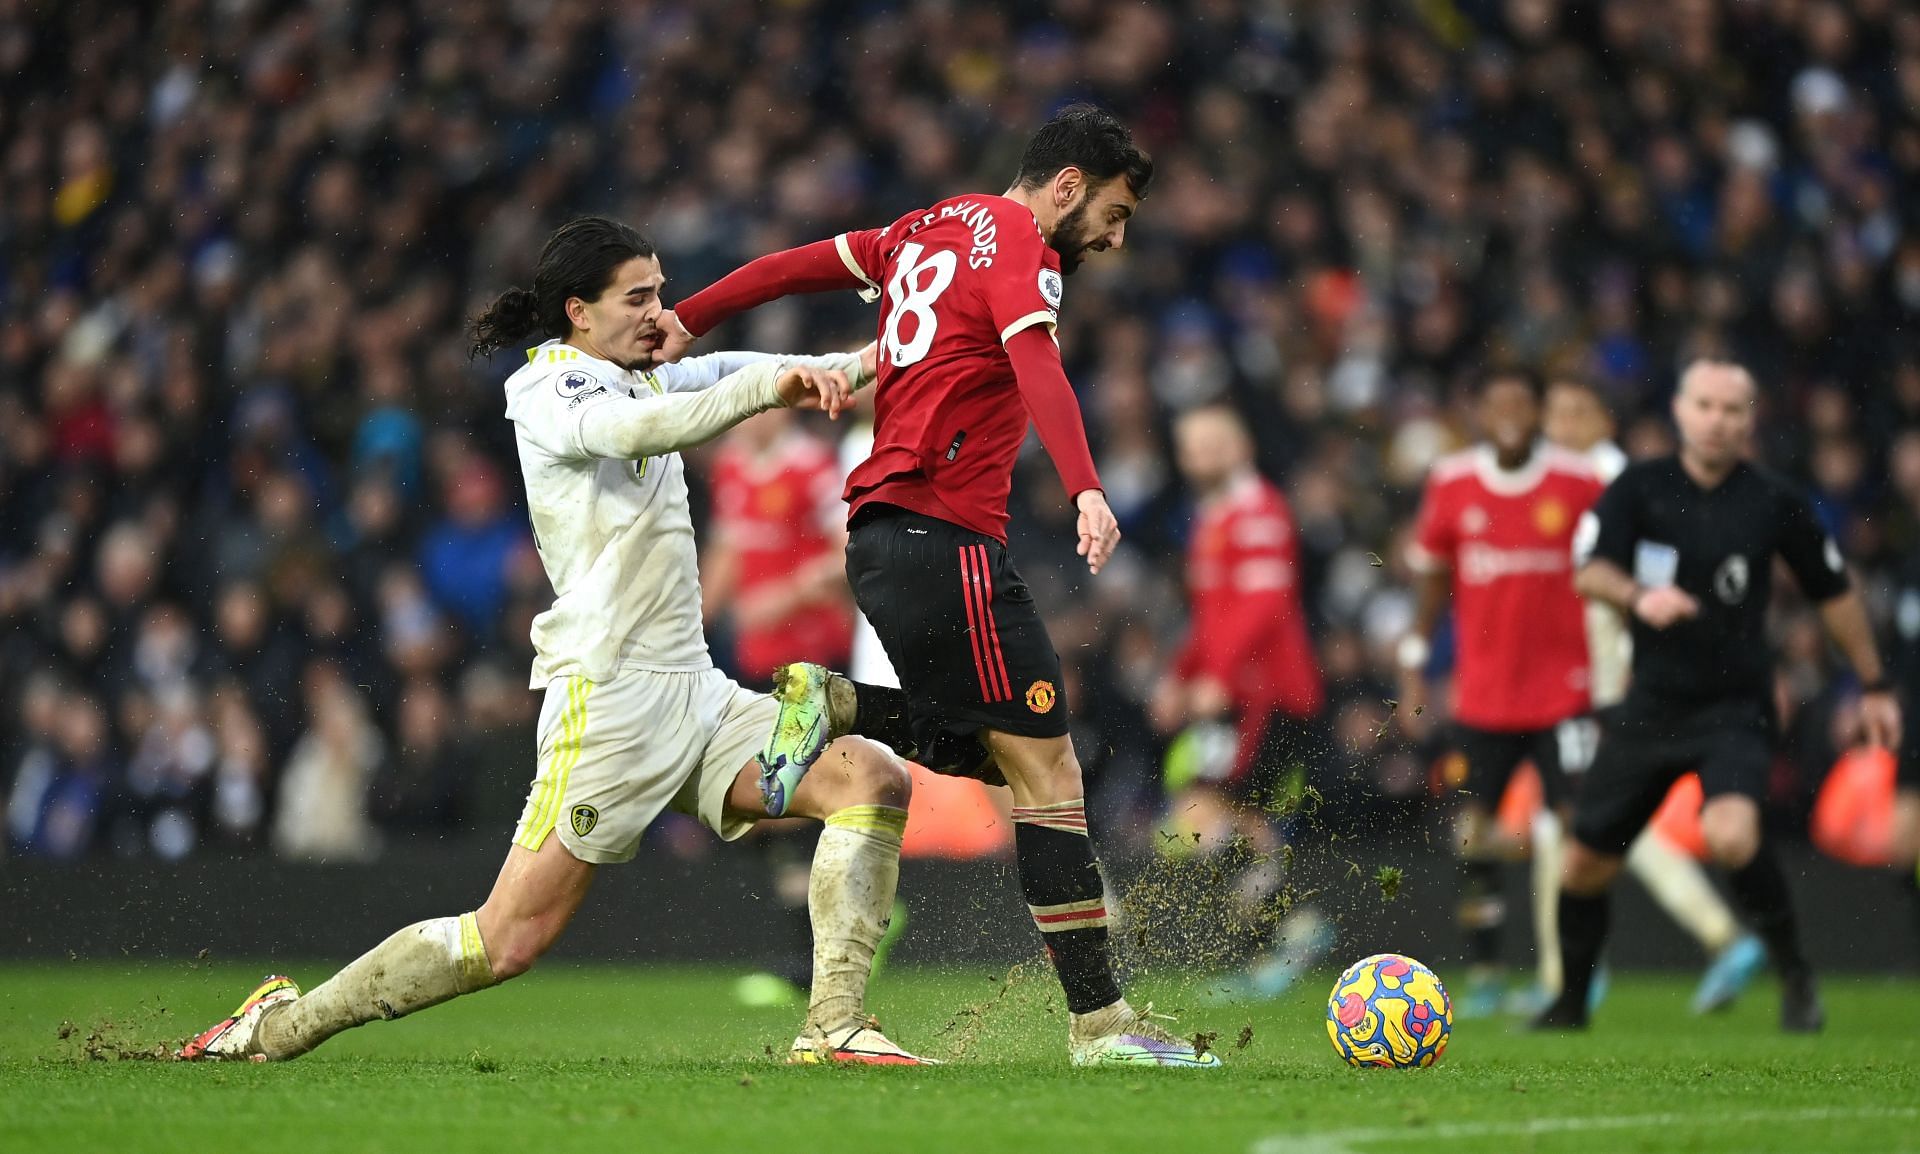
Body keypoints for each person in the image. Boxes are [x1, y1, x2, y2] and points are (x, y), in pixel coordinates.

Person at [180, 216, 934, 1065]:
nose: (661, 313)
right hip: (608, 700)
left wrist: (888, 352)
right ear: (579, 311)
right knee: (505, 941)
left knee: (871, 776)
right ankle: (281, 1026)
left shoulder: (648, 376)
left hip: (697, 691)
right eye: (638, 297)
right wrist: (772, 390)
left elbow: (742, 371)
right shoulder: (551, 391)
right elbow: (646, 431)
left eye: (661, 292)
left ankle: (833, 1025)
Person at [656, 104, 1220, 1068]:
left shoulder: (924, 227)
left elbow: (791, 264)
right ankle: (1100, 1026)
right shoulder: (1020, 244)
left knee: (1009, 761)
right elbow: (1037, 361)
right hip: (947, 534)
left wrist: (690, 317)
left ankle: (842, 702)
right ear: (1068, 186)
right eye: (1115, 214)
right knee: (1051, 773)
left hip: (878, 537)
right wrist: (1086, 486)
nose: (1116, 240)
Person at [1535, 359, 1902, 1032]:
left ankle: (1795, 976)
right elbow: (1589, 570)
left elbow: (1832, 590)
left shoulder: (1773, 499)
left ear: (1750, 419)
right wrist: (1639, 596)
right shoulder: (1637, 489)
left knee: (1731, 835)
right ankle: (1568, 1005)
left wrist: (1874, 683)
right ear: (1680, 411)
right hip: (1649, 705)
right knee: (1584, 860)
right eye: (1705, 405)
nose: (1716, 420)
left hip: (1734, 705)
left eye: (1732, 409)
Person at [1543, 376, 1766, 1014]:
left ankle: (1713, 935)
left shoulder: (1617, 483)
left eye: (1574, 411)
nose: (1558, 428)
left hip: (1613, 678)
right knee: (1568, 817)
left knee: (1597, 820)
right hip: (1582, 674)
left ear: (1602, 418)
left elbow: (1636, 583)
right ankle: (1568, 972)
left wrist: (1619, 675)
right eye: (1553, 414)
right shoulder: (1582, 480)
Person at [1399, 370, 1605, 1018]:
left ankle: (1575, 971)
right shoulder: (1453, 482)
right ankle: (1486, 970)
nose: (1511, 414)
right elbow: (1432, 577)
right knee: (1475, 834)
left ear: (1541, 412)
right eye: (1498, 403)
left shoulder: (1580, 482)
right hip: (1484, 697)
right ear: (1480, 413)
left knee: (1578, 834)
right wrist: (1414, 655)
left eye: (1523, 403)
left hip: (1567, 693)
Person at [1150, 403, 1332, 998]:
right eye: (1191, 445)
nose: (1201, 455)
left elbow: (1264, 606)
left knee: (1216, 816)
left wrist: (1218, 677)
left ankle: (1289, 935)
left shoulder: (1260, 512)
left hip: (1272, 694)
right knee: (1225, 819)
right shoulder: (1214, 516)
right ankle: (1283, 937)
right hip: (1239, 695)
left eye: (1213, 442)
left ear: (1241, 446)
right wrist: (1180, 675)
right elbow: (1212, 616)